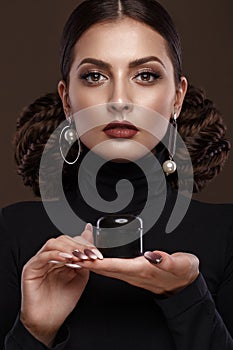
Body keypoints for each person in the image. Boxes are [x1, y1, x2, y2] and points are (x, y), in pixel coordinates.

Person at [1, 0, 232, 349]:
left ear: (177, 98)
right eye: (95, 76)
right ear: (67, 100)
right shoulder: (13, 232)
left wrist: (187, 298)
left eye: (145, 75)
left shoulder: (226, 233)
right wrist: (34, 330)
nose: (119, 99)